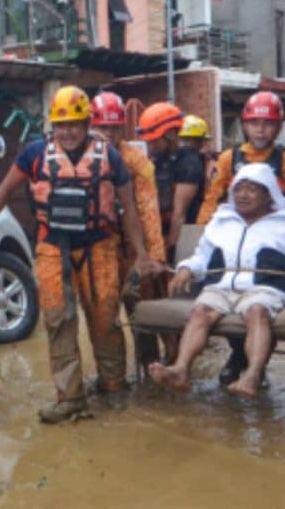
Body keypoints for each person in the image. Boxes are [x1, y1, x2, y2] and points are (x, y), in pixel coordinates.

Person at [0, 86, 160, 423]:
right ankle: (70, 397)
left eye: (75, 124)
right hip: (51, 247)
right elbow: (3, 190)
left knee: (105, 318)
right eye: (62, 125)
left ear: (87, 123)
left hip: (100, 246)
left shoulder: (111, 157)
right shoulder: (34, 154)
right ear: (53, 127)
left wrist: (141, 254)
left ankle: (113, 385)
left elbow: (130, 211)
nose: (68, 131)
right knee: (59, 321)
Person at [149, 163, 285, 399]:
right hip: (222, 286)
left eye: (252, 189)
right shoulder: (220, 222)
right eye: (238, 189)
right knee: (201, 311)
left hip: (264, 288)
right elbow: (202, 257)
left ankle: (252, 375)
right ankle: (181, 369)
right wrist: (186, 269)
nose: (243, 195)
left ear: (269, 194)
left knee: (257, 312)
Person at [197, 91, 285, 386]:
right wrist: (202, 231)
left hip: (275, 240)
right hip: (237, 235)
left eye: (268, 123)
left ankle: (253, 367)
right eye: (254, 123)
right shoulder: (228, 159)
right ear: (244, 125)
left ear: (279, 126)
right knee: (226, 291)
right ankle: (239, 356)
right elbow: (212, 198)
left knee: (260, 301)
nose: (260, 129)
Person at [90, 92, 169, 372]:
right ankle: (112, 381)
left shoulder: (137, 162)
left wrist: (153, 256)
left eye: (115, 127)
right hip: (98, 252)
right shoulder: (80, 157)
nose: (109, 134)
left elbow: (149, 211)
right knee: (104, 319)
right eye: (103, 127)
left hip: (133, 253)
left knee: (143, 318)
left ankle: (151, 376)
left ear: (123, 127)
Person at [138, 103, 205, 254]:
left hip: (187, 236)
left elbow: (179, 214)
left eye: (154, 141)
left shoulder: (189, 163)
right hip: (161, 233)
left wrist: (169, 249)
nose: (150, 146)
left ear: (171, 135)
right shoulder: (159, 159)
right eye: (148, 142)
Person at [178, 114, 217, 184]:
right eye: (182, 140)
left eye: (204, 140)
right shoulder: (173, 161)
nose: (202, 145)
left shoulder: (210, 164)